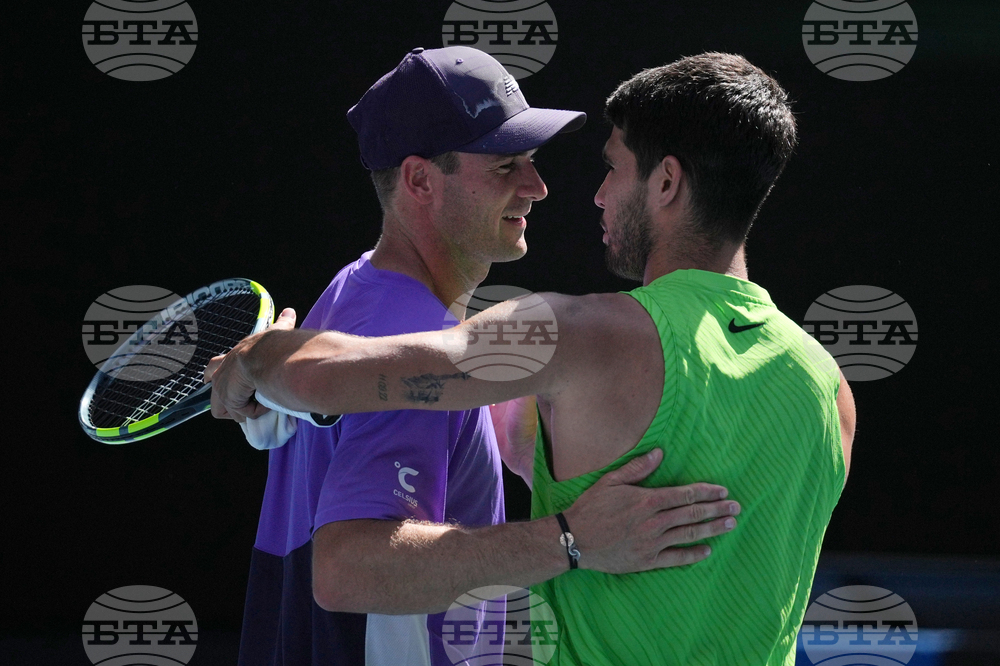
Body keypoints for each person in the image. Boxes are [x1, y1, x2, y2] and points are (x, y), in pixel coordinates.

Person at [209, 51, 857, 665]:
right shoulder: (831, 393)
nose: (588, 194)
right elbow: (517, 435)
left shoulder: (573, 335)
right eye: (505, 164)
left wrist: (257, 361)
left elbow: (331, 378)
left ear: (666, 182)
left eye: (612, 169)